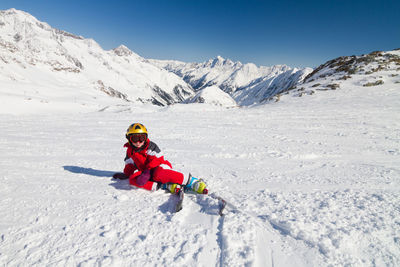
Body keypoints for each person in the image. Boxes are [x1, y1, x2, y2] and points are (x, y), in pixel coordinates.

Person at [121, 123, 207, 194]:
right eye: (135, 138)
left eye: (142, 138)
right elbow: (130, 164)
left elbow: (156, 159)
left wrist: (147, 171)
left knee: (158, 174)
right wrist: (127, 173)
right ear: (129, 139)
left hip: (160, 167)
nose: (139, 142)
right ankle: (165, 185)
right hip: (146, 174)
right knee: (132, 180)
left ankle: (191, 181)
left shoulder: (150, 146)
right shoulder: (130, 151)